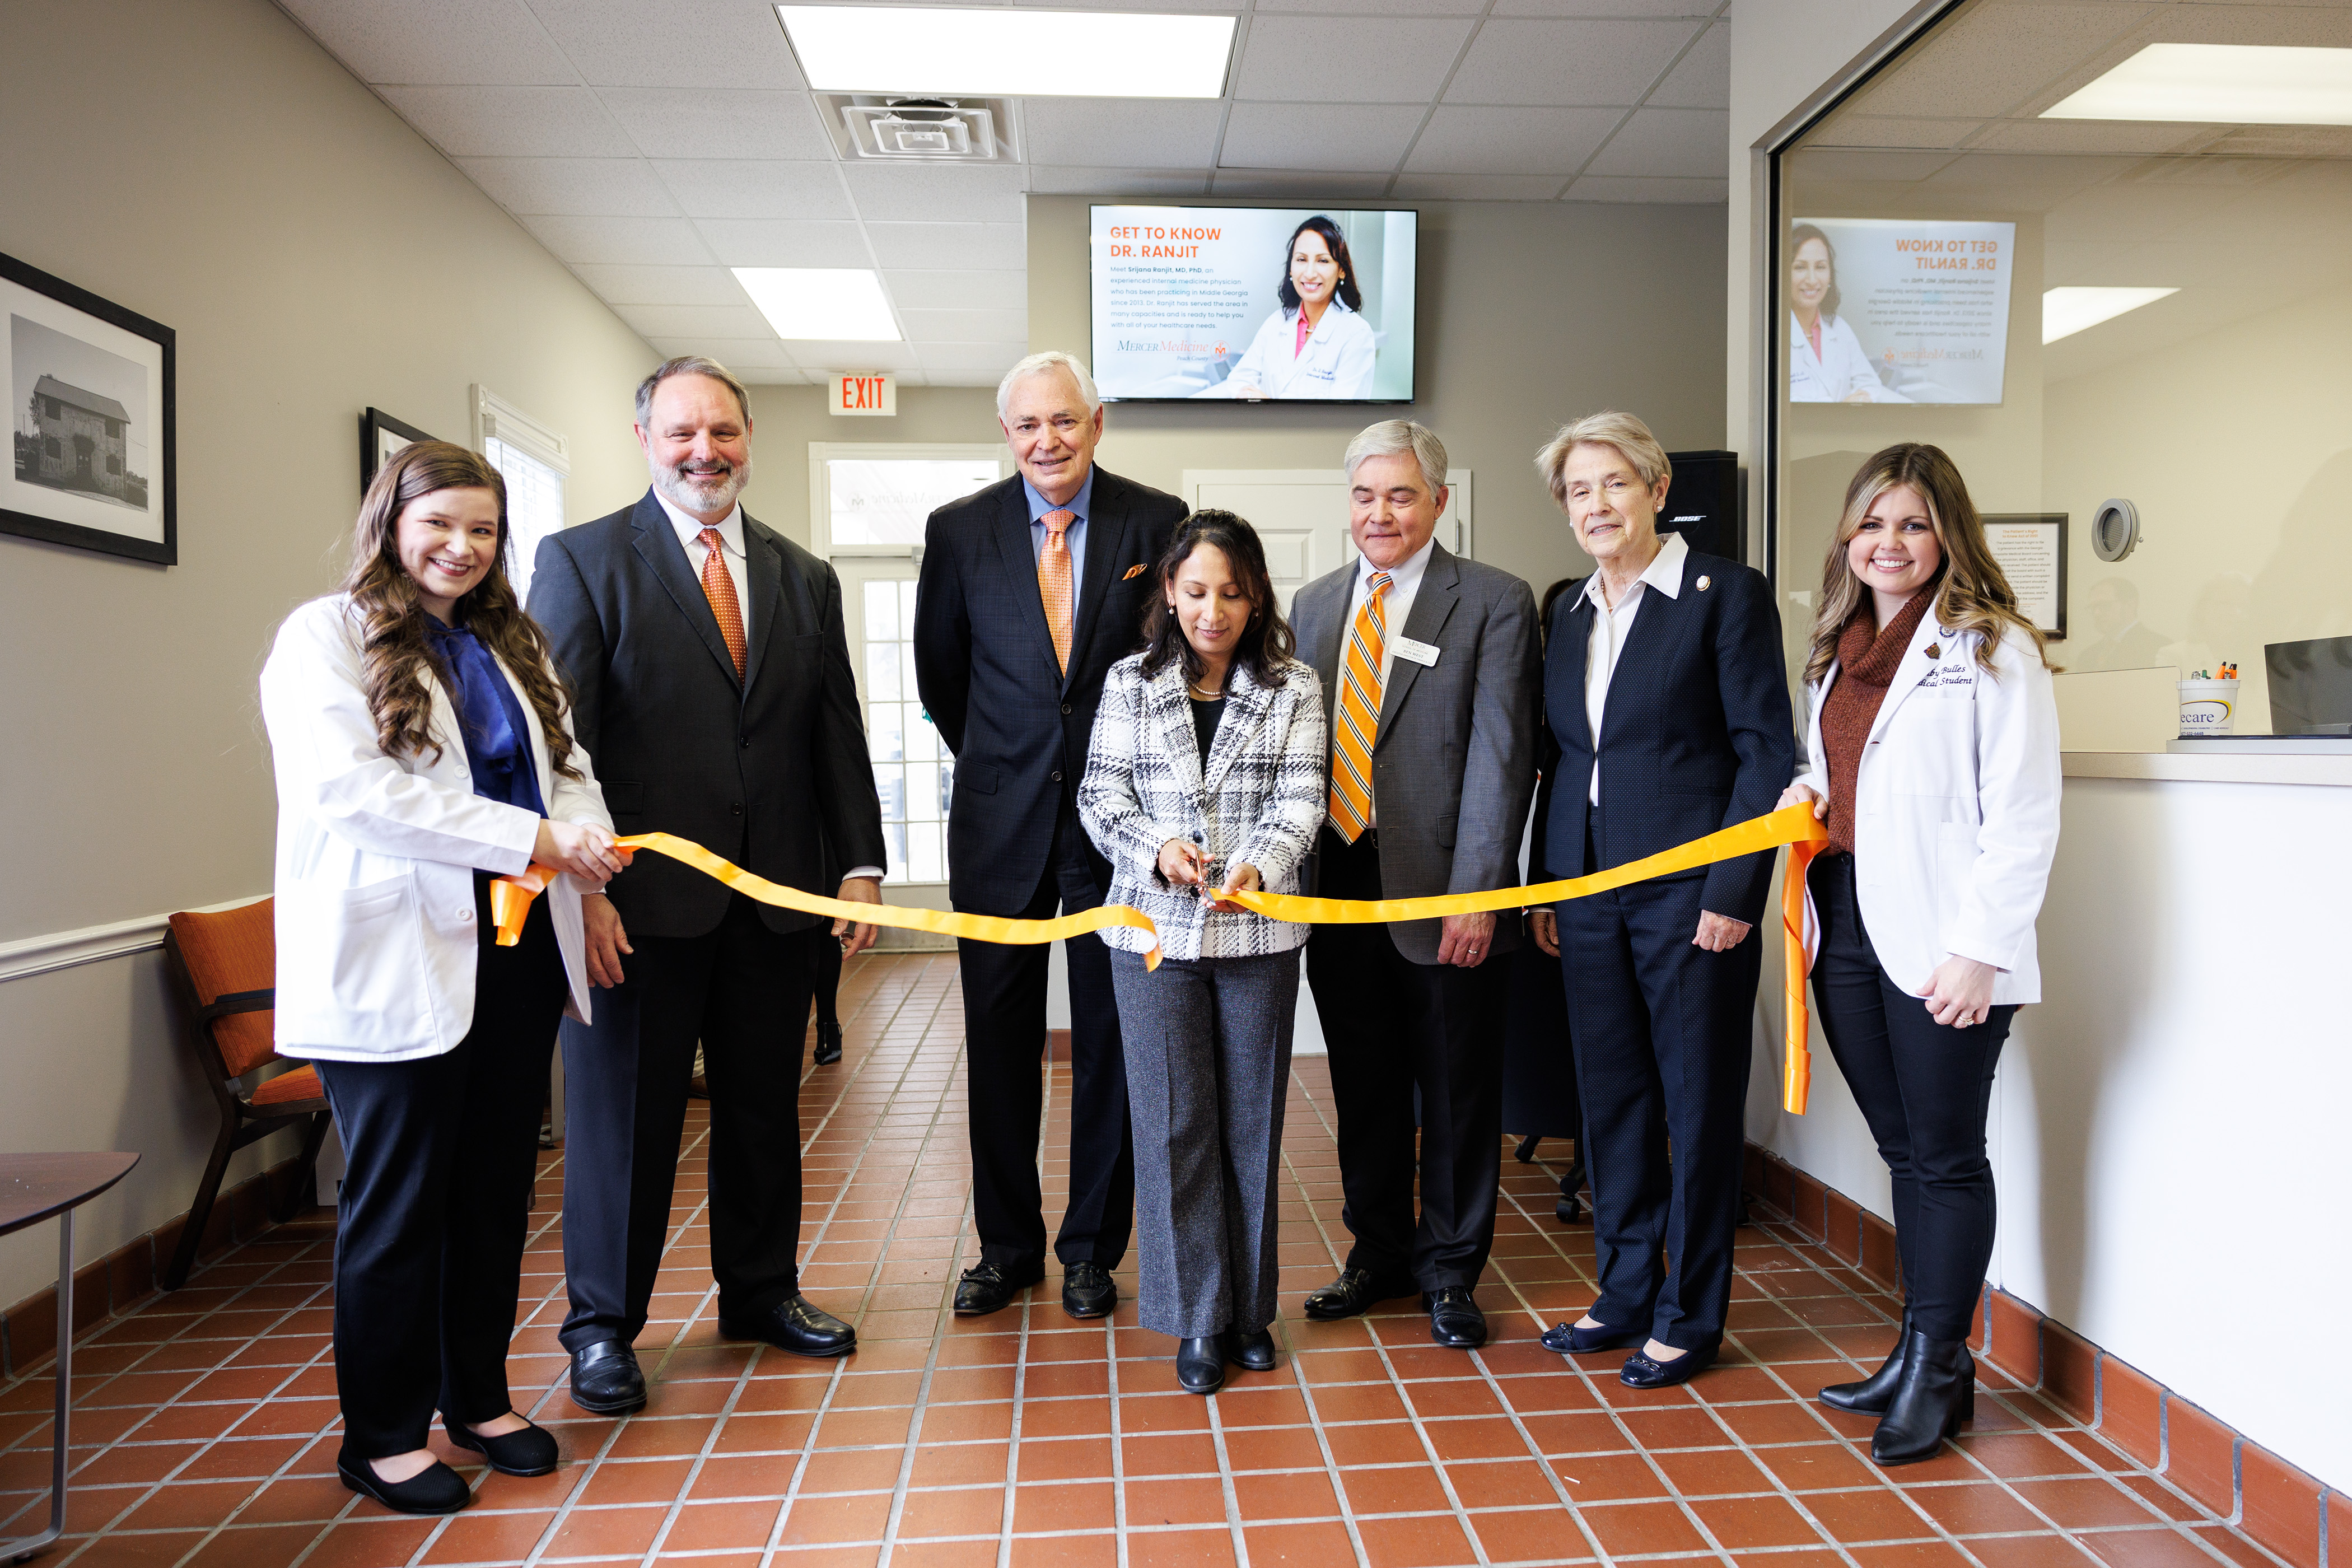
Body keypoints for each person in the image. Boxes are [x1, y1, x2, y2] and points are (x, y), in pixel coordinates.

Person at [258, 441, 623, 1514]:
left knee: (495, 1194)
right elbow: (353, 794)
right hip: (394, 964)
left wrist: (584, 844)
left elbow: (573, 775)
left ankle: (478, 1398)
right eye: (442, 525)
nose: (463, 548)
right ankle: (380, 1434)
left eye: (485, 530)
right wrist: (541, 839)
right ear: (391, 522)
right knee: (400, 1204)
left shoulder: (513, 645)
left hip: (511, 957)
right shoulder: (324, 638)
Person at [531, 356, 888, 1413]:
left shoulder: (801, 576)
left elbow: (836, 735)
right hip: (632, 909)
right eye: (684, 433)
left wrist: (858, 868)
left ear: (747, 439)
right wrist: (582, 891)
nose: (706, 452)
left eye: (723, 432)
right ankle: (602, 1326)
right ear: (645, 439)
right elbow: (562, 746)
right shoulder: (583, 561)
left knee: (763, 1111)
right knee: (623, 1127)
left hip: (776, 902)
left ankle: (761, 1293)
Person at [1779, 442, 2060, 1466]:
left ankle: (1942, 1369)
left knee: (1944, 1157)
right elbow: (1838, 771)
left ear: (1948, 535)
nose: (1888, 543)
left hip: (1947, 941)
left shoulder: (1992, 647)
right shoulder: (1839, 647)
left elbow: (2023, 817)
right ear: (1846, 538)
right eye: (1871, 523)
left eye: (1911, 524)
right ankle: (1916, 1348)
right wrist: (1804, 795)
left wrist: (1981, 952)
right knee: (1902, 1149)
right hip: (1846, 923)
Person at [913, 351, 1186, 1320]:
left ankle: (1089, 1250)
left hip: (1122, 832)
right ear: (1007, 433)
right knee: (998, 1043)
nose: (1048, 440)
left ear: (1097, 422)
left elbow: (1176, 667)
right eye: (1029, 425)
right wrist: (1009, 759)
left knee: (1114, 1042)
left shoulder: (1159, 523)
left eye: (1065, 421)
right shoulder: (960, 533)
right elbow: (943, 680)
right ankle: (1007, 1246)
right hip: (999, 825)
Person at [1530, 411, 1794, 1389]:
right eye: (1578, 491)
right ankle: (1626, 1290)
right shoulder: (1570, 612)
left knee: (1698, 1102)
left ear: (1654, 486)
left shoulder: (1725, 596)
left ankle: (1692, 1315)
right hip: (1590, 894)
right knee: (1614, 1105)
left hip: (1692, 898)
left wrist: (1734, 889)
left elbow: (1766, 750)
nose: (1596, 505)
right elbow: (1567, 760)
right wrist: (1549, 889)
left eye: (1613, 484)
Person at [1290, 420, 1541, 1351]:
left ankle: (1451, 1269)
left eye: (1400, 494)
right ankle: (1379, 1252)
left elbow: (1502, 758)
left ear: (1440, 501)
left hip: (1445, 895)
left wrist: (1479, 889)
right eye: (1364, 495)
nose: (1380, 513)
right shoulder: (1313, 608)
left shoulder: (1493, 601)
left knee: (1456, 1090)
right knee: (1363, 1083)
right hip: (1339, 883)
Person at [1077, 511, 1327, 1394]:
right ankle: (1195, 1317)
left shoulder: (1294, 685)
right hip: (1151, 933)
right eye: (1194, 592)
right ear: (1169, 596)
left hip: (1257, 929)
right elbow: (1100, 795)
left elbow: (1304, 796)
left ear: (1256, 594)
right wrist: (1155, 848)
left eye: (1230, 592)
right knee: (1176, 1124)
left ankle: (1250, 1309)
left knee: (1251, 1122)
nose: (1212, 611)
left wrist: (1261, 861)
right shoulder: (1129, 682)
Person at [1200, 216, 1378, 401]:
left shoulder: (1357, 333)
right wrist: (1250, 393)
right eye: (1301, 259)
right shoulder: (1277, 322)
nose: (1310, 273)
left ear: (1342, 270)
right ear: (1291, 269)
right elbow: (1239, 379)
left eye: (1323, 261)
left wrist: (1272, 405)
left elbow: (1344, 414)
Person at [1789, 224, 1908, 405]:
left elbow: (1870, 384)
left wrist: (1858, 400)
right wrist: (1838, 409)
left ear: (1830, 276)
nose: (1812, 280)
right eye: (1800, 267)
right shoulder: (1770, 333)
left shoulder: (1839, 328)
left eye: (1820, 267)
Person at [2069, 577, 2167, 671]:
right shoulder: (2087, 656)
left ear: (2131, 605)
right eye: (2094, 607)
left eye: (2104, 605)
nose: (2097, 613)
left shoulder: (2158, 648)